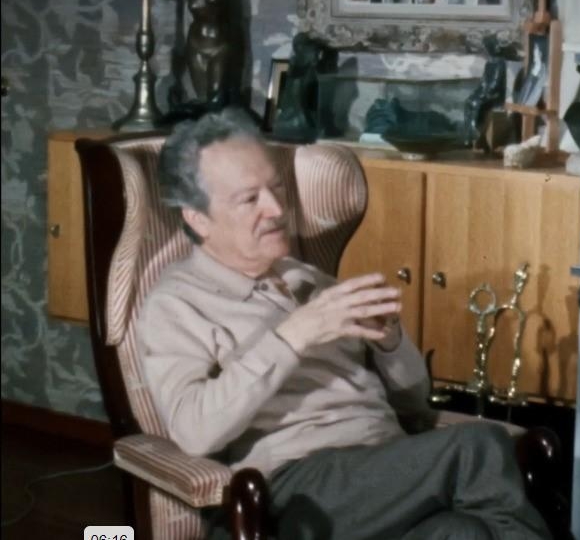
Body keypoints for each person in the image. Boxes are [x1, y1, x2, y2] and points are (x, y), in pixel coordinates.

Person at [138, 108, 552, 540]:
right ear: (198, 218)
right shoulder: (178, 303)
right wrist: (294, 335)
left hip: (385, 470)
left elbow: (414, 402)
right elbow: (194, 431)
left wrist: (389, 341)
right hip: (297, 487)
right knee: (479, 445)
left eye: (276, 188)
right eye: (249, 199)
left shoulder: (308, 279)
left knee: (462, 533)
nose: (276, 208)